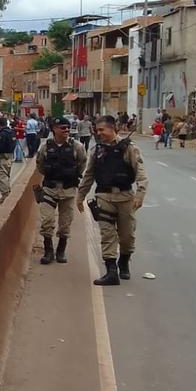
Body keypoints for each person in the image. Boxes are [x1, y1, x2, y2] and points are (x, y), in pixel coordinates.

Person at [76, 115, 149, 285]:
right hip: (104, 196)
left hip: (125, 197)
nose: (98, 133)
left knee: (127, 235)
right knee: (107, 234)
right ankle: (111, 271)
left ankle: (123, 263)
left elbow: (141, 173)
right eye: (97, 130)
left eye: (102, 129)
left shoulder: (129, 148)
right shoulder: (96, 150)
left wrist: (140, 194)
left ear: (113, 128)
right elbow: (88, 175)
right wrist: (81, 196)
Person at [35, 116, 88, 264]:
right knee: (47, 221)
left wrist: (71, 175)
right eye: (62, 128)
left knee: (65, 223)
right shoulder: (45, 146)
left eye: (67, 127)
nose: (66, 130)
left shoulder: (76, 146)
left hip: (68, 190)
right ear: (54, 129)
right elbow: (40, 164)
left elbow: (82, 163)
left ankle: (61, 251)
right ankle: (48, 251)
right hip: (49, 188)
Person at [0, 116, 17, 201]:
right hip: (10, 156)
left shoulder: (2, 133)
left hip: (2, 157)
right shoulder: (11, 132)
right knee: (7, 176)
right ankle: (7, 192)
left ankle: (5, 195)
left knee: (2, 177)